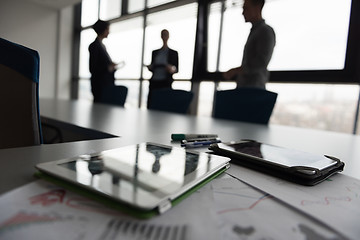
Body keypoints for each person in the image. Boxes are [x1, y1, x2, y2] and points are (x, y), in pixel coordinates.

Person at [223, 0, 275, 89]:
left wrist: (236, 71)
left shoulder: (265, 31)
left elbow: (261, 62)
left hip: (253, 90)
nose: (243, 13)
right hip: (246, 88)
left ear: (257, 7)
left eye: (246, 8)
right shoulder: (255, 31)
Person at [147, 29, 179, 107]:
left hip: (165, 83)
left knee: (164, 104)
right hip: (154, 82)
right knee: (152, 104)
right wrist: (150, 67)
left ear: (168, 36)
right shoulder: (155, 52)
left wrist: (171, 69)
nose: (164, 36)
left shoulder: (174, 53)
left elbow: (176, 69)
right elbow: (152, 66)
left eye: (165, 34)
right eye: (163, 34)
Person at [88, 20, 118, 102]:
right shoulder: (94, 46)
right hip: (100, 85)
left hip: (105, 83)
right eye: (108, 29)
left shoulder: (101, 46)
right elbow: (93, 68)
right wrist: (108, 68)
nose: (109, 32)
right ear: (103, 30)